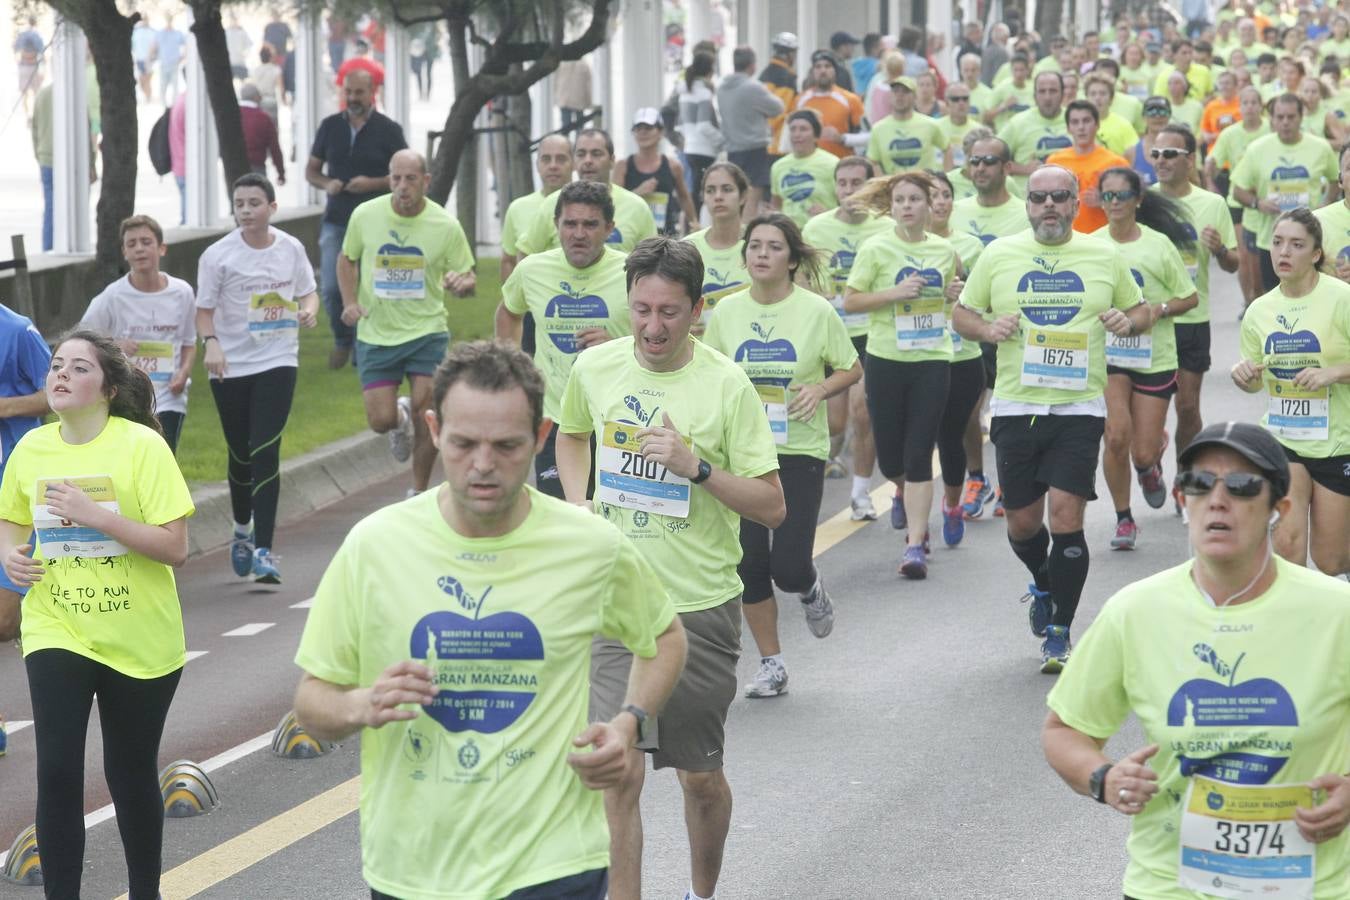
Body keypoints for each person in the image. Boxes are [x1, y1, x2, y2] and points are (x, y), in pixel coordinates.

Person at [292, 340, 685, 900]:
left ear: (541, 437)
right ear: (432, 429)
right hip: (415, 868)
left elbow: (664, 637)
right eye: (463, 443)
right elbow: (312, 699)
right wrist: (360, 705)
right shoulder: (375, 546)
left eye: (505, 446)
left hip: (552, 862)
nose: (482, 464)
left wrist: (627, 723)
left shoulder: (591, 546)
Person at [556, 237, 784, 900]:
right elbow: (571, 434)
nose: (653, 328)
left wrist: (696, 468)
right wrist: (580, 502)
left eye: (669, 313)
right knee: (614, 766)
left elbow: (771, 506)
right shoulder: (595, 369)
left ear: (698, 310)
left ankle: (700, 893)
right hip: (612, 604)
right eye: (642, 310)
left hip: (697, 605)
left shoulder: (724, 383)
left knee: (698, 777)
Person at [1043, 421, 1350, 900]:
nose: (1218, 500)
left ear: (1279, 509)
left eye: (1243, 486)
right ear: (1183, 501)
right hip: (1170, 884)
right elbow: (1065, 731)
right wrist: (1102, 778)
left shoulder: (1337, 612)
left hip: (1309, 886)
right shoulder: (1135, 610)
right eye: (1199, 484)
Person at [0, 330, 192, 900]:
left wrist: (94, 515)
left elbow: (175, 546)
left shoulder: (141, 447)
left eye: (77, 368)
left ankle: (144, 893)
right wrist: (10, 556)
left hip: (139, 633)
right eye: (56, 365)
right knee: (57, 770)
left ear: (108, 387)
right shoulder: (33, 448)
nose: (60, 374)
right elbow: (11, 521)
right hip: (57, 625)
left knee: (129, 774)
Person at [953, 165, 1151, 672]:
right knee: (1022, 525)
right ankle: (1042, 583)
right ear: (1026, 204)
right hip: (1017, 406)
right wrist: (987, 328)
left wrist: (1126, 320)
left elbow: (1142, 310)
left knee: (1067, 517)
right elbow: (963, 314)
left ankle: (1060, 630)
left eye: (1059, 197)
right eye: (1038, 197)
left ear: (1073, 204)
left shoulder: (1102, 253)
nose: (1048, 206)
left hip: (1078, 407)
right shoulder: (999, 255)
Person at [703, 213, 859, 697]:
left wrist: (820, 388)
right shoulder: (726, 313)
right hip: (744, 453)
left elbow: (850, 368)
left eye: (773, 247)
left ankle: (810, 586)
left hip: (798, 450)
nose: (762, 254)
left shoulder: (815, 311)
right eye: (754, 246)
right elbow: (709, 374)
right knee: (749, 563)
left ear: (792, 260)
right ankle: (772, 663)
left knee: (787, 567)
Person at [196, 174, 320, 585]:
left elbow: (308, 291)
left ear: (272, 207)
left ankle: (265, 550)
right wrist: (211, 343)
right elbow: (204, 310)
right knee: (240, 453)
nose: (246, 210)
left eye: (254, 202)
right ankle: (243, 527)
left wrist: (309, 310)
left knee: (265, 448)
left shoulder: (290, 248)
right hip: (229, 366)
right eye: (239, 203)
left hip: (278, 359)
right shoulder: (218, 255)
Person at [339, 150, 475, 497]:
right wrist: (350, 302)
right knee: (379, 421)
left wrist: (463, 283)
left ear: (425, 182)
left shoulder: (444, 225)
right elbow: (346, 258)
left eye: (410, 179)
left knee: (426, 412)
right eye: (395, 178)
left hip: (426, 331)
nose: (402, 186)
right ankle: (396, 419)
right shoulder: (365, 215)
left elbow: (466, 273)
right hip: (377, 332)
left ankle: (417, 490)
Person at [843, 172, 957, 577]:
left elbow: (950, 299)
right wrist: (894, 293)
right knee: (892, 459)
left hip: (932, 359)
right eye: (900, 200)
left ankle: (915, 545)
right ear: (891, 208)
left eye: (915, 199)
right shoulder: (875, 249)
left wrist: (952, 296)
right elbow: (851, 300)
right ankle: (905, 496)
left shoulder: (945, 250)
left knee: (919, 451)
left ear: (929, 205)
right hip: (886, 359)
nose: (907, 206)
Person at [1233, 208, 1350, 575]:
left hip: (1338, 441)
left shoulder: (1342, 298)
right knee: (1287, 545)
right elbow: (1256, 381)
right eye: (1278, 242)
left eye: (1297, 245)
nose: (1284, 252)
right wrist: (1246, 376)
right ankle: (1296, 628)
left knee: (1331, 561)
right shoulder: (1260, 310)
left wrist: (1332, 373)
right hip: (1284, 439)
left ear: (1316, 254)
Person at [496, 181, 629, 498]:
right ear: (556, 226)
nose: (579, 234)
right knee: (564, 516)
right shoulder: (532, 270)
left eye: (590, 224)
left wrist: (618, 345)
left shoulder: (632, 272)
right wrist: (514, 369)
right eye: (570, 223)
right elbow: (508, 313)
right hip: (557, 419)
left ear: (609, 228)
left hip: (618, 419)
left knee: (614, 516)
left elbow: (658, 338)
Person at [1094, 166, 1198, 550]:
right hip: (1109, 355)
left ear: (1138, 200)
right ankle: (1124, 518)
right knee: (1116, 435)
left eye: (1122, 195)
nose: (1115, 202)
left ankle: (1149, 463)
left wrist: (1160, 309)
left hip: (1155, 356)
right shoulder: (1090, 245)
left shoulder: (1158, 245)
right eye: (1108, 195)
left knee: (1141, 448)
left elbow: (1190, 296)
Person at [1153, 125, 1239, 517]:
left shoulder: (1211, 204)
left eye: (1171, 154)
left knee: (1187, 407)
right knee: (1148, 416)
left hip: (1192, 316)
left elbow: (1233, 263)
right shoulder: (1143, 201)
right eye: (1156, 154)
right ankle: (1148, 455)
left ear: (1190, 159)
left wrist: (1220, 247)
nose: (1162, 161)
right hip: (1149, 320)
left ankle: (1185, 479)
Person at [803, 156, 891, 514]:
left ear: (871, 186)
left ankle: (860, 494)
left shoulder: (885, 228)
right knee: (836, 422)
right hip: (831, 332)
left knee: (862, 411)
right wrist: (812, 296)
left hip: (871, 331)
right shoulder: (815, 228)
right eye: (842, 183)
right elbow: (801, 276)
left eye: (857, 182)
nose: (849, 190)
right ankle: (840, 454)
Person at [306, 68, 408, 369]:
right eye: (348, 92)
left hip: (378, 223)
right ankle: (343, 340)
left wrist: (372, 183)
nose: (352, 98)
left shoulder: (389, 129)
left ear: (372, 92)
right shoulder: (329, 127)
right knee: (331, 286)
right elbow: (311, 171)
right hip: (337, 220)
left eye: (359, 92)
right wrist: (327, 184)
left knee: (375, 286)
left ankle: (367, 345)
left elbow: (403, 176)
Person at [950, 137, 1029, 519]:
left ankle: (1007, 477)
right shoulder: (957, 211)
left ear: (1007, 168)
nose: (980, 168)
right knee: (968, 408)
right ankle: (976, 477)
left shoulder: (1022, 212)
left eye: (989, 161)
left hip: (1015, 323)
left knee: (1007, 409)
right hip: (969, 320)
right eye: (974, 161)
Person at [81, 215, 196, 452]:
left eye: (146, 242)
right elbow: (82, 339)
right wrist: (115, 344)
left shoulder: (182, 292)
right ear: (124, 252)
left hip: (169, 396)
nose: (139, 249)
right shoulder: (112, 297)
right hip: (129, 396)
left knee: (164, 458)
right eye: (131, 244)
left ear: (161, 248)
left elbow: (189, 343)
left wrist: (183, 373)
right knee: (132, 461)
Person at [926, 170, 989, 547]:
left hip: (962, 350)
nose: (939, 201)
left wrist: (963, 287)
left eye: (945, 194)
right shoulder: (897, 247)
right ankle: (904, 491)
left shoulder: (971, 245)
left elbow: (985, 297)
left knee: (958, 426)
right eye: (931, 195)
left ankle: (964, 489)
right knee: (920, 434)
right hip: (916, 353)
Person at [1232, 93, 1339, 294]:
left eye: (1291, 117)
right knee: (1274, 300)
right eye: (1280, 117)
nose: (1285, 122)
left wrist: (1326, 202)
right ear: (1271, 119)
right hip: (1271, 242)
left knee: (1315, 299)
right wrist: (1257, 203)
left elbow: (1336, 179)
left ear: (1301, 117)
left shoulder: (1320, 147)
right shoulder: (1257, 149)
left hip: (1311, 241)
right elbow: (1238, 190)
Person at [515, 129, 657, 256]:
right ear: (574, 161)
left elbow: (652, 260)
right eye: (581, 154)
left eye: (596, 154)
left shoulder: (637, 207)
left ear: (612, 161)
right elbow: (525, 252)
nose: (588, 161)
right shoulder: (553, 203)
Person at [717, 46, 785, 222]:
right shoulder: (752, 87)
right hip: (755, 148)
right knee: (753, 196)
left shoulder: (721, 88)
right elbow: (778, 107)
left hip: (732, 148)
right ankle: (746, 233)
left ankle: (736, 228)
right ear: (752, 65)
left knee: (736, 194)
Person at [684, 161, 752, 327]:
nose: (718, 196)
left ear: (743, 196)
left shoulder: (759, 245)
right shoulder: (687, 248)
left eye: (727, 189)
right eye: (710, 190)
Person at [1046, 99, 1131, 233]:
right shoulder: (1055, 162)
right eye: (1075, 122)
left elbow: (1132, 203)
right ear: (1068, 128)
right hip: (1065, 238)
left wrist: (1104, 201)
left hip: (1104, 238)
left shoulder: (1116, 163)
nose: (1081, 127)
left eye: (1086, 121)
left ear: (1097, 124)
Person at [615, 108, 698, 236]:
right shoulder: (623, 166)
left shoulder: (673, 166)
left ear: (660, 132)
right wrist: (637, 193)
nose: (643, 133)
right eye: (638, 128)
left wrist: (694, 223)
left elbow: (684, 197)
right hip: (633, 234)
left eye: (648, 128)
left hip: (665, 236)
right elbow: (615, 203)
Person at [999, 71, 1072, 194]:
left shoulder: (1076, 120)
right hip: (1029, 201)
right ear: (1034, 96)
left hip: (1069, 199)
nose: (1047, 97)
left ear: (1062, 94)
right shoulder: (1018, 123)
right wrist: (1024, 169)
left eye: (1053, 91)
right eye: (1042, 91)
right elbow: (994, 159)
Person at [867, 75, 951, 174]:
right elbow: (873, 161)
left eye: (905, 91)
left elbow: (947, 148)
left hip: (924, 186)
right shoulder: (878, 128)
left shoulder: (930, 124)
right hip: (894, 187)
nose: (900, 95)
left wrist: (946, 177)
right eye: (896, 91)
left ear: (915, 97)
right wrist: (883, 185)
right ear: (890, 96)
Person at [768, 110, 838, 227]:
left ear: (816, 136)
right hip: (789, 233)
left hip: (821, 230)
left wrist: (828, 214)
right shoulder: (778, 166)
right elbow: (776, 204)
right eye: (793, 129)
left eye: (803, 129)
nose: (797, 134)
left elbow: (844, 202)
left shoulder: (832, 163)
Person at [790, 51, 865, 158]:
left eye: (827, 66)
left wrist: (842, 138)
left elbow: (867, 136)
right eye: (818, 67)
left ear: (835, 71)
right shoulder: (800, 100)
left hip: (840, 163)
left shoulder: (851, 100)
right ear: (812, 71)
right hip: (809, 163)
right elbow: (791, 133)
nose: (823, 70)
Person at [677, 51, 722, 217]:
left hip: (690, 148)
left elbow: (680, 126)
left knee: (694, 193)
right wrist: (722, 141)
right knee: (703, 196)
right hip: (705, 149)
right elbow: (704, 125)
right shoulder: (704, 93)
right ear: (710, 70)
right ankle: (696, 230)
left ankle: (690, 227)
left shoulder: (685, 92)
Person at [759, 31, 799, 165]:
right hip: (778, 144)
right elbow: (779, 111)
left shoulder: (765, 73)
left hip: (763, 142)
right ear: (791, 54)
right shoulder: (786, 77)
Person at [239, 83, 284, 183]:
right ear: (256, 97)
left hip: (235, 167)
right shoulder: (263, 118)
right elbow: (274, 148)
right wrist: (281, 173)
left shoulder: (233, 115)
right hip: (257, 167)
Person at [1127, 96, 1173, 186]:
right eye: (1152, 112)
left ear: (1169, 115)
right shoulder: (1132, 153)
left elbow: (1195, 185)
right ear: (1144, 117)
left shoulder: (1181, 149)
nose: (1157, 116)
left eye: (1162, 111)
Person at [985, 53, 1034, 132]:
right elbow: (986, 117)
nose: (1019, 74)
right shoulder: (1002, 87)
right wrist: (1003, 106)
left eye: (1022, 70)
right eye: (1016, 70)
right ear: (1011, 70)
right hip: (1005, 134)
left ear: (1027, 71)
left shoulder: (1033, 88)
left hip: (1026, 133)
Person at [935, 83, 977, 166]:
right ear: (946, 103)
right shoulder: (935, 126)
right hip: (938, 177)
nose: (961, 103)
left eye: (965, 99)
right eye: (955, 99)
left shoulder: (978, 130)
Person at [31, 81, 51, 252]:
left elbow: (34, 128)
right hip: (65, 161)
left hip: (45, 157)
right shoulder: (72, 93)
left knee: (50, 205)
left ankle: (48, 246)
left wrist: (38, 153)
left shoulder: (41, 94)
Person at [14, 16, 43, 115]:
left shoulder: (22, 34)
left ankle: (27, 115)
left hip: (23, 66)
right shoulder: (36, 35)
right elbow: (41, 52)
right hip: (33, 67)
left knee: (24, 94)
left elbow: (15, 50)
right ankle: (35, 113)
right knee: (36, 93)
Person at [155, 16, 186, 106]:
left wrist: (183, 56)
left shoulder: (177, 33)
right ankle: (163, 104)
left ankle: (174, 104)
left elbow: (186, 44)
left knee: (175, 85)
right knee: (163, 85)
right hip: (164, 63)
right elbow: (154, 46)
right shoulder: (160, 33)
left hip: (174, 63)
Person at [250, 46, 282, 123]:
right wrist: (283, 100)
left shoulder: (256, 70)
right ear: (270, 57)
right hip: (271, 100)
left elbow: (253, 86)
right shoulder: (276, 69)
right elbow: (281, 87)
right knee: (273, 125)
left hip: (259, 101)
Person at [225, 15, 252, 82]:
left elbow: (249, 45)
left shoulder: (242, 32)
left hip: (240, 61)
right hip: (230, 61)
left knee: (243, 79)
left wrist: (245, 53)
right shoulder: (227, 32)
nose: (234, 22)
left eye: (235, 20)